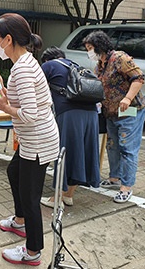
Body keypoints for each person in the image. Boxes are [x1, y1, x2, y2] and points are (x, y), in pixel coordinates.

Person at [0, 13, 60, 266]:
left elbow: (28, 114)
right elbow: (28, 102)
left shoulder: (22, 69)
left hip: (37, 141)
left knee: (31, 197)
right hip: (35, 138)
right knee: (13, 171)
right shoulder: (24, 63)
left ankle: (33, 251)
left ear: (8, 39)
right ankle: (19, 222)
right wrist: (5, 93)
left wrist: (1, 105)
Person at [82, 30, 145, 204]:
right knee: (113, 146)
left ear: (99, 46)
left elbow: (138, 78)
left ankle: (126, 186)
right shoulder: (100, 65)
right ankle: (115, 178)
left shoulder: (120, 58)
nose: (89, 52)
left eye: (90, 48)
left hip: (131, 110)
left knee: (127, 148)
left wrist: (127, 98)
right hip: (111, 113)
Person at [39, 46, 100, 208]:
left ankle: (56, 200)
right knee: (80, 153)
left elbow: (36, 90)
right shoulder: (76, 66)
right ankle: (68, 195)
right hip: (92, 114)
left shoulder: (49, 65)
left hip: (70, 114)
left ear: (46, 59)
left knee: (65, 154)